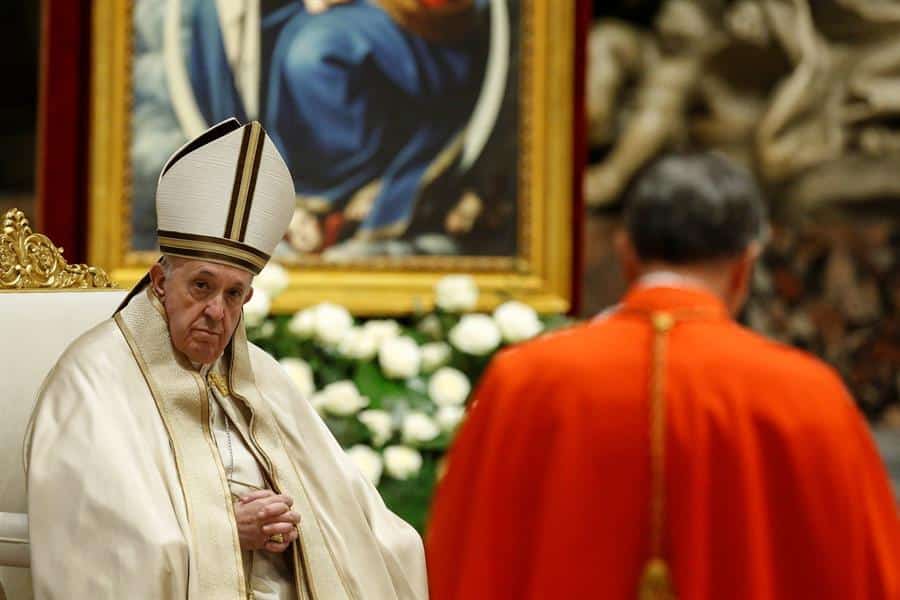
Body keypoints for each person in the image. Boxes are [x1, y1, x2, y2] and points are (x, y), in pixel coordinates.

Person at [425, 151, 900, 599]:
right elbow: (867, 575)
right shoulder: (807, 394)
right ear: (746, 264)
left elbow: (458, 565)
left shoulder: (523, 382)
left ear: (626, 253)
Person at [26, 118, 427, 599]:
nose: (216, 311)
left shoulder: (263, 377)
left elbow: (350, 510)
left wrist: (292, 528)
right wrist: (225, 532)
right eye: (201, 286)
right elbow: (92, 541)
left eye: (233, 294)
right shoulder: (93, 377)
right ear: (159, 282)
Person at [184, 0, 487, 253]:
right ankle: (311, 194)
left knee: (313, 57)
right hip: (323, 13)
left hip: (420, 21)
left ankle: (354, 185)